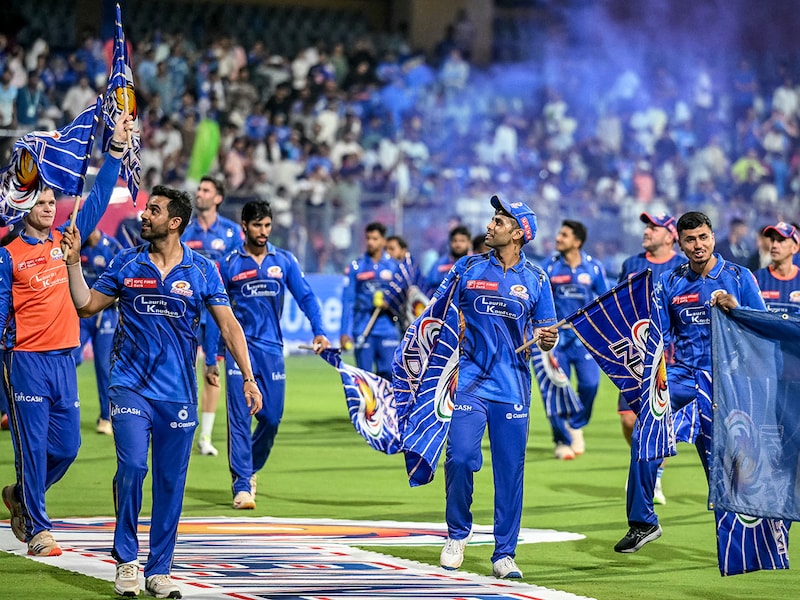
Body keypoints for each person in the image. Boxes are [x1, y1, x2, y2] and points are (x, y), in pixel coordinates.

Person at [61, 185, 263, 598]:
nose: (143, 214)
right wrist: (72, 263)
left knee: (170, 482)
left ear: (174, 222)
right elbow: (86, 305)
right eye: (146, 207)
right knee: (133, 467)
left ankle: (160, 569)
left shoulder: (203, 270)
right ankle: (127, 560)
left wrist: (247, 376)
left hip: (177, 394)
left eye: (153, 210)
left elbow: (228, 326)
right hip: (129, 387)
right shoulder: (125, 261)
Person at [0, 111, 132, 557]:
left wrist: (114, 149)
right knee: (34, 449)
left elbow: (93, 202)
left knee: (69, 447)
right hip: (26, 361)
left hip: (65, 359)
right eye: (41, 203)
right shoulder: (8, 254)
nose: (50, 207)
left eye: (52, 202)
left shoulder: (66, 240)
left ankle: (21, 495)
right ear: (25, 208)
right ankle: (39, 529)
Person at [615, 211, 765, 553]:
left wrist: (737, 309)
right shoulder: (670, 282)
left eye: (703, 238)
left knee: (727, 466)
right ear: (679, 243)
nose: (698, 245)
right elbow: (658, 333)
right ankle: (643, 523)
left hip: (725, 382)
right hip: (682, 377)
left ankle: (743, 537)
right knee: (646, 431)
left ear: (712, 237)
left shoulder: (740, 277)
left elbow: (761, 329)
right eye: (690, 240)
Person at [437, 195, 558, 579]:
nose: (490, 226)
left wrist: (548, 338)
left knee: (509, 473)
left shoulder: (537, 279)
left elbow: (545, 331)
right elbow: (435, 309)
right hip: (470, 382)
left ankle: (504, 554)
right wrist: (448, 322)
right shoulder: (467, 266)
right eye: (492, 220)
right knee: (459, 457)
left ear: (519, 234)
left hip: (512, 388)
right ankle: (458, 533)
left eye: (499, 222)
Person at [218, 200, 330, 510]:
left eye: (267, 225)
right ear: (244, 226)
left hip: (271, 350)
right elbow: (217, 311)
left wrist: (318, 330)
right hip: (239, 352)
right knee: (239, 418)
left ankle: (249, 467)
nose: (263, 232)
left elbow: (306, 296)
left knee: (271, 418)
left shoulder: (285, 260)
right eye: (257, 226)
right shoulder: (229, 263)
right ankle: (241, 483)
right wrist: (216, 354)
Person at [616, 212, 685, 504]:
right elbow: (618, 302)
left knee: (659, 419)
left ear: (670, 236)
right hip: (633, 353)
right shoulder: (631, 264)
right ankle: (643, 462)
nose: (647, 231)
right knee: (630, 421)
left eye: (654, 227)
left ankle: (652, 474)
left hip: (669, 357)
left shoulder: (682, 267)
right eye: (646, 225)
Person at [181, 175, 244, 456]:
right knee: (182, 369)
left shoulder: (231, 234)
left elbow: (235, 274)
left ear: (218, 197)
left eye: (206, 190)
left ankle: (204, 436)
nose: (200, 193)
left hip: (216, 314)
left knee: (211, 370)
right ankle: (179, 426)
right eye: (199, 189)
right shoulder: (185, 231)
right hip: (186, 310)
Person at [543, 219, 609, 460]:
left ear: (577, 242)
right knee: (557, 390)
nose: (558, 238)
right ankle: (562, 440)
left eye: (564, 235)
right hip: (556, 341)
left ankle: (576, 424)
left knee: (590, 386)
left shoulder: (593, 268)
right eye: (559, 234)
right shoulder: (549, 267)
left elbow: (605, 300)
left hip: (585, 340)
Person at [71, 228, 124, 435]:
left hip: (105, 313)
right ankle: (60, 410)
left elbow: (123, 276)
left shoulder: (112, 247)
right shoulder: (77, 246)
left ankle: (106, 417)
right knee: (70, 358)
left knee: (103, 366)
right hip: (80, 315)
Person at [340, 222, 399, 380]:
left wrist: (390, 304)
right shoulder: (356, 266)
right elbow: (347, 301)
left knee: (389, 374)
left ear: (383, 241)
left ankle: (387, 406)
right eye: (368, 238)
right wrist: (344, 332)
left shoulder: (394, 267)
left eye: (375, 238)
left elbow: (403, 299)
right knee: (364, 379)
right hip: (363, 328)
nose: (370, 242)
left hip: (388, 329)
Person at [754, 222, 800, 315]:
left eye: (781, 240)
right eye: (772, 240)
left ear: (795, 248)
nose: (774, 245)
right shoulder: (756, 279)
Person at [423, 225, 471, 296]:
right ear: (450, 243)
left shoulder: (475, 264)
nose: (458, 244)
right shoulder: (439, 265)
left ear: (469, 243)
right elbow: (429, 286)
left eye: (462, 241)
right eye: (455, 241)